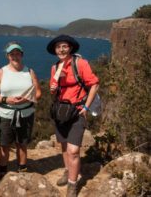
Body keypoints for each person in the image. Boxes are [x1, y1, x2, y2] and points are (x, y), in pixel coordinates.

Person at [47, 35, 99, 197]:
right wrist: (53, 90)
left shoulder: (80, 64)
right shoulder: (55, 68)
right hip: (61, 112)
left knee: (74, 150)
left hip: (77, 112)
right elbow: (53, 92)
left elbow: (94, 83)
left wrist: (86, 106)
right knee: (63, 145)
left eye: (64, 46)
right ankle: (68, 171)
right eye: (58, 47)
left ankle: (72, 184)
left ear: (70, 48)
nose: (61, 50)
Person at [0, 41, 42, 179]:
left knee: (22, 144)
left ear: (22, 55)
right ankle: (2, 172)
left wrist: (26, 99)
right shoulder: (1, 72)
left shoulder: (29, 71)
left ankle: (22, 171)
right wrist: (7, 100)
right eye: (12, 54)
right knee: (4, 145)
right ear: (8, 56)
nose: (15, 56)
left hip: (25, 113)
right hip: (5, 114)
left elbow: (38, 93)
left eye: (18, 54)